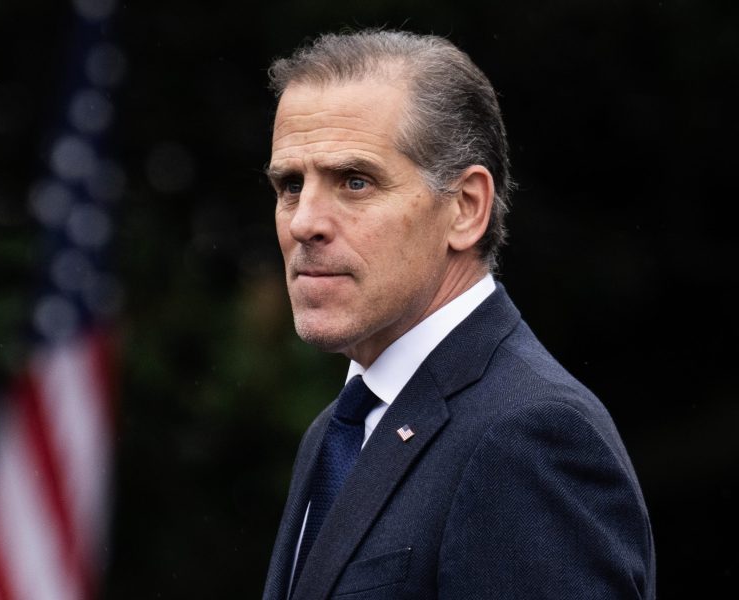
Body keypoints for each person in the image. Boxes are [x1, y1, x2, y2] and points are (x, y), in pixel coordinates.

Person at [262, 29, 655, 600]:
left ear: (466, 208)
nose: (304, 222)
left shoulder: (528, 436)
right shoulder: (340, 429)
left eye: (355, 181)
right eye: (290, 185)